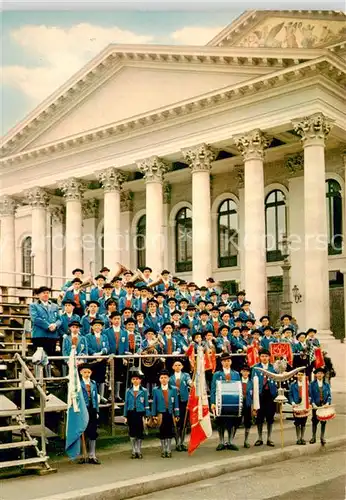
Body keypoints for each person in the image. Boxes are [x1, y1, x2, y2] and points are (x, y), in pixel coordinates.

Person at [210, 353, 241, 451]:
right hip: (220, 403)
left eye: (228, 361)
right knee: (220, 423)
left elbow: (239, 389)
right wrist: (213, 402)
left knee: (232, 422)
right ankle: (221, 442)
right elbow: (213, 389)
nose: (226, 363)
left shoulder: (236, 374)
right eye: (224, 361)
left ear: (231, 362)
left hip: (233, 403)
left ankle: (230, 441)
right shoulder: (217, 374)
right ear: (221, 362)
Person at [252, 349, 278, 447]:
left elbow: (278, 379)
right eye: (262, 356)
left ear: (269, 357)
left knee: (270, 417)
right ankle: (259, 438)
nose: (264, 358)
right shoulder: (255, 368)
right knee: (260, 417)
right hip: (259, 395)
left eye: (266, 356)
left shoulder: (273, 368)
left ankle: (269, 438)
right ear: (259, 357)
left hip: (270, 394)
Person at [152, 369, 180, 458]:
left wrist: (177, 414)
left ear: (168, 379)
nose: (163, 379)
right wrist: (154, 415)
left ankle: (168, 448)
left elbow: (176, 402)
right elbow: (154, 403)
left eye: (165, 378)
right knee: (162, 432)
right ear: (159, 379)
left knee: (169, 432)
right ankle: (163, 449)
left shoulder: (173, 389)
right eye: (162, 378)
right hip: (161, 414)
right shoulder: (156, 390)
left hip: (170, 413)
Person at [123, 369, 150, 459]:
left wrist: (147, 415)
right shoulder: (128, 391)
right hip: (131, 413)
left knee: (139, 432)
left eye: (137, 379)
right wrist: (125, 416)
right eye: (133, 379)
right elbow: (126, 403)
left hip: (140, 413)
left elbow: (146, 404)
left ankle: (139, 449)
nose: (135, 381)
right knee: (132, 432)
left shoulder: (144, 391)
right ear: (131, 380)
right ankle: (133, 450)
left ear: (140, 380)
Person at [30, 286, 62, 357]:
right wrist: (48, 326)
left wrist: (55, 325)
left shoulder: (55, 306)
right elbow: (35, 318)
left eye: (47, 293)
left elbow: (59, 319)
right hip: (39, 336)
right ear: (38, 295)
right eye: (44, 293)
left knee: (50, 358)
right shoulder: (34, 305)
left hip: (52, 336)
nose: (46, 294)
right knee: (39, 358)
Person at [79, 364, 100, 464]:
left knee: (92, 431)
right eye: (85, 372)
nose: (87, 374)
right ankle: (83, 454)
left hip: (92, 409)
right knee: (83, 431)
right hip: (83, 409)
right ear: (81, 373)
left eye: (88, 372)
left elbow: (96, 398)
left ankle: (92, 455)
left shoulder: (93, 383)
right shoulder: (78, 384)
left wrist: (97, 411)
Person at [169, 360, 192, 451]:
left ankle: (182, 442)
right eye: (176, 365)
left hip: (184, 401)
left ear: (182, 366)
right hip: (175, 402)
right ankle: (177, 442)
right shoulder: (170, 378)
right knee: (176, 423)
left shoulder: (185, 375)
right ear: (173, 367)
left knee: (184, 422)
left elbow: (189, 381)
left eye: (179, 365)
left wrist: (191, 384)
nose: (177, 366)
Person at [85, 319, 109, 403]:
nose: (97, 327)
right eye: (95, 325)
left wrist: (102, 353)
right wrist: (95, 354)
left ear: (102, 327)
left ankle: (101, 396)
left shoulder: (104, 336)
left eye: (99, 325)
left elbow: (107, 347)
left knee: (102, 378)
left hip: (102, 360)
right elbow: (88, 347)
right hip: (92, 361)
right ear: (92, 327)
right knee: (93, 378)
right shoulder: (88, 336)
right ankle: (93, 396)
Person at [309, 367, 332, 445]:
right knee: (314, 421)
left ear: (323, 375)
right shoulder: (312, 384)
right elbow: (310, 395)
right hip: (316, 405)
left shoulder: (327, 384)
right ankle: (313, 437)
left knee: (323, 421)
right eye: (318, 373)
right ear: (315, 375)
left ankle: (322, 437)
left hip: (324, 406)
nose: (320, 375)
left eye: (321, 373)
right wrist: (313, 404)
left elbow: (329, 395)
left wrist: (327, 403)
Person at [289, 370, 309, 445]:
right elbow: (290, 395)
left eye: (301, 374)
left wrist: (309, 400)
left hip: (304, 405)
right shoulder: (293, 385)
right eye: (299, 375)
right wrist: (293, 402)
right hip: (296, 405)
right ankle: (298, 438)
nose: (300, 376)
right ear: (296, 376)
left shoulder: (306, 384)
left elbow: (309, 394)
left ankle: (302, 437)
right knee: (297, 422)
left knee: (303, 422)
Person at [239, 364, 254, 448]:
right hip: (239, 403)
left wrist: (253, 407)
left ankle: (246, 440)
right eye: (244, 371)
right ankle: (231, 441)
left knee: (247, 423)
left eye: (247, 371)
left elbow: (254, 396)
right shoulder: (238, 381)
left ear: (249, 373)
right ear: (241, 372)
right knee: (236, 421)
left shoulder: (251, 382)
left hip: (248, 404)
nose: (245, 373)